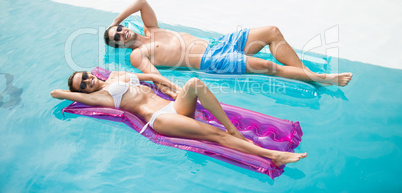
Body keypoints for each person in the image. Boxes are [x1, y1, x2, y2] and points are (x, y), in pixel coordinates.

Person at [50, 70, 307, 166]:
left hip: (172, 106)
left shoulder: (116, 75)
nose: (87, 81)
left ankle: (234, 130)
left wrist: (170, 86)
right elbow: (56, 93)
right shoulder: (101, 97)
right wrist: (72, 92)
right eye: (82, 85)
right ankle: (273, 155)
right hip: (160, 119)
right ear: (84, 92)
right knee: (215, 135)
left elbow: (150, 77)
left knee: (194, 83)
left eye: (84, 76)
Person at [104, 0, 352, 86]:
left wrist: (115, 19)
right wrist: (172, 89)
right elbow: (155, 76)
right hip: (212, 60)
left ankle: (305, 73)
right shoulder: (137, 55)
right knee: (268, 68)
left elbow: (142, 1)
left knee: (272, 31)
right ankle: (323, 79)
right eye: (117, 37)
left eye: (120, 29)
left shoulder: (151, 27)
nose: (121, 33)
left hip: (218, 44)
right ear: (119, 46)